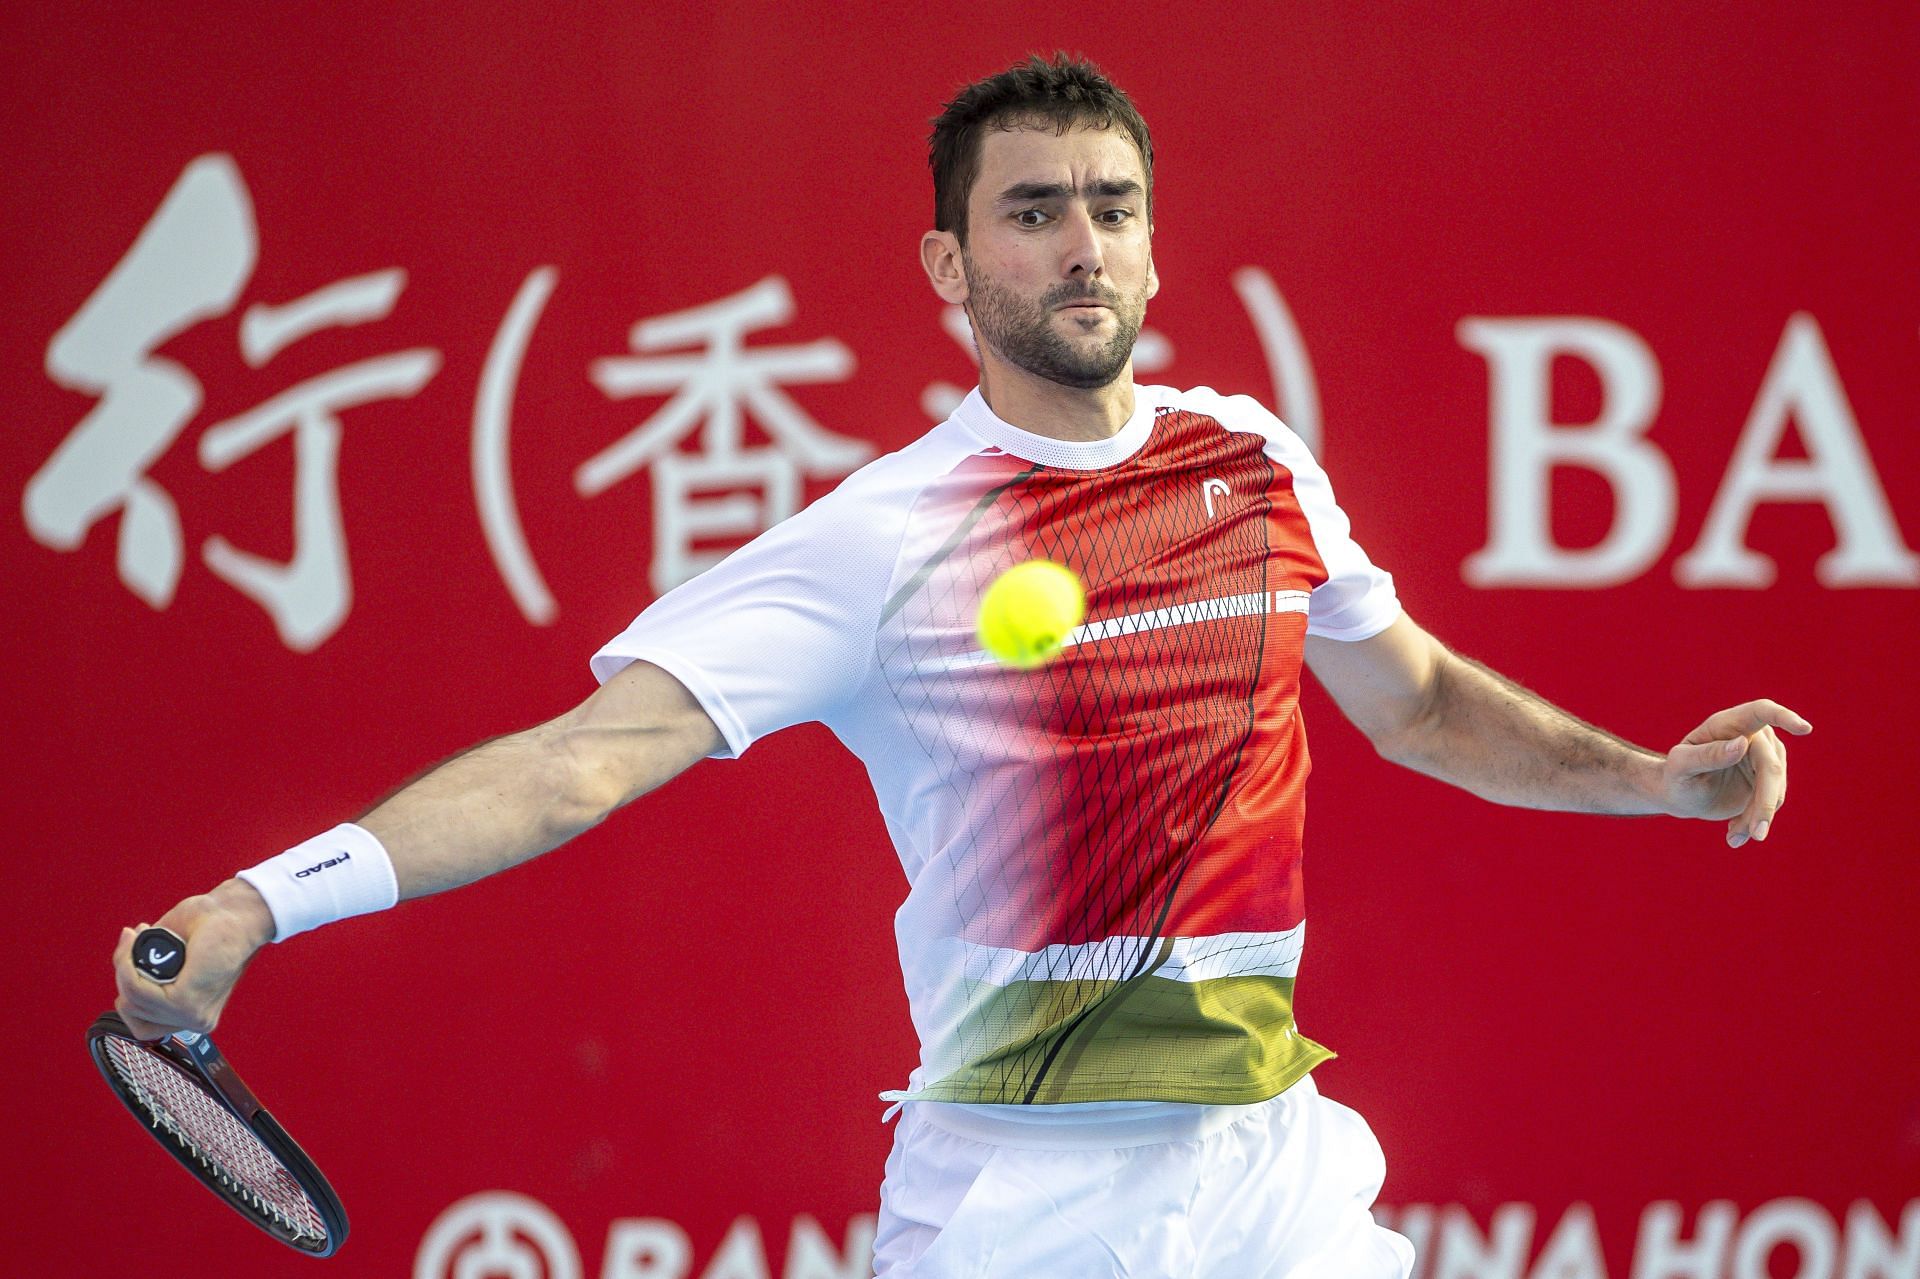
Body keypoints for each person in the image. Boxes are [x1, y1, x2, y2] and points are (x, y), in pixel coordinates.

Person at [114, 54, 1809, 1278]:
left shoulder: (1253, 464)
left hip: (1267, 1174)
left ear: (1153, 246)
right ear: (950, 265)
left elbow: (1421, 702)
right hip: (1019, 1205)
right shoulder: (885, 537)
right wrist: (269, 899)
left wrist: (1652, 779)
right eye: (1032, 212)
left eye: (1112, 206)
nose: (1082, 243)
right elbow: (581, 758)